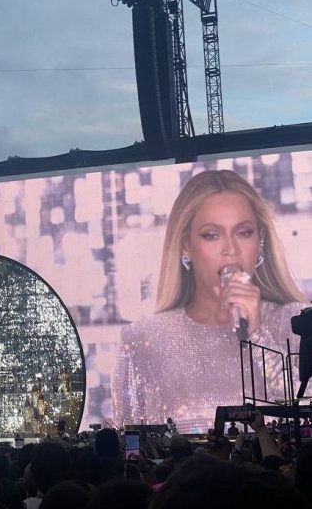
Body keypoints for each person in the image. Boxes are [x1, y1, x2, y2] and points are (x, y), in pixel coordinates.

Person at [113, 169, 305, 433]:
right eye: (211, 235)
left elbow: (303, 411)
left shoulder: (298, 324)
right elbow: (130, 442)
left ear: (260, 241)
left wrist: (259, 334)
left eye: (244, 232)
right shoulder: (142, 340)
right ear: (185, 245)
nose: (230, 249)